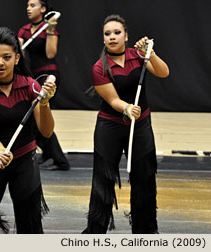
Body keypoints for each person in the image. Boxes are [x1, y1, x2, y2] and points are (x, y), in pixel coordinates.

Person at [0, 27, 56, 234]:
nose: (0, 63)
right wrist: (0, 152)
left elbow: (47, 132)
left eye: (6, 57)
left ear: (16, 59)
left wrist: (45, 103)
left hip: (24, 161)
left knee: (30, 226)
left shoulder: (31, 87)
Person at [82, 14, 169, 234]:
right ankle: (95, 233)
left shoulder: (138, 56)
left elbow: (163, 72)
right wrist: (127, 108)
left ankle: (145, 232)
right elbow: (112, 100)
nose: (112, 37)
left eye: (117, 32)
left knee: (144, 180)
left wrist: (150, 53)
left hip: (140, 126)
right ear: (103, 39)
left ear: (126, 36)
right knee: (103, 182)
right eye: (107, 34)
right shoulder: (99, 67)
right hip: (109, 127)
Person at [18, 0, 70, 171]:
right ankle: (47, 153)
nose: (28, 8)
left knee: (41, 116)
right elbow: (20, 55)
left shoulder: (50, 27)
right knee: (32, 119)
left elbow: (50, 53)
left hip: (48, 76)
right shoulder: (24, 30)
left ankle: (60, 160)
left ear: (43, 9)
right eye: (27, 5)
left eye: (33, 5)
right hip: (32, 77)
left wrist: (49, 30)